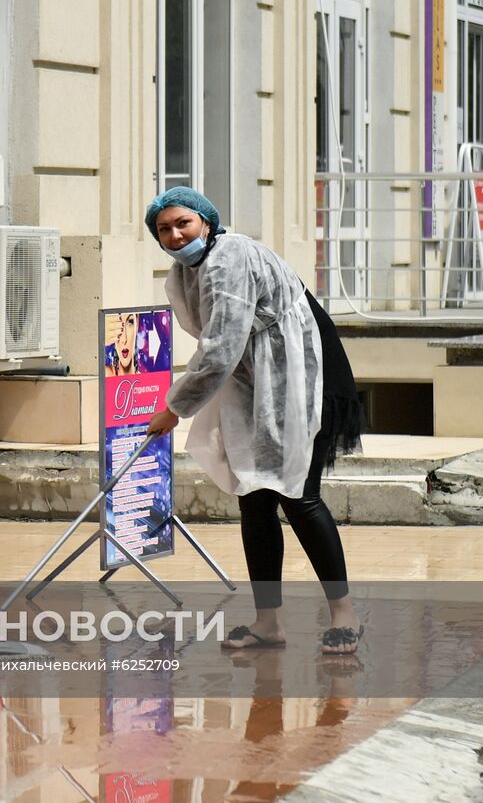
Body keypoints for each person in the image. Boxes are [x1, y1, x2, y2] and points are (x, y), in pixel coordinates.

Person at [143, 187, 365, 655]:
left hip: (306, 376)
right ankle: (268, 623)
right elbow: (217, 345)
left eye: (183, 222)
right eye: (164, 228)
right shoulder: (186, 271)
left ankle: (345, 615)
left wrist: (175, 408)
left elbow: (221, 345)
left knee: (300, 496)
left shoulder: (229, 256)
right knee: (255, 497)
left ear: (206, 221)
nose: (175, 233)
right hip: (255, 382)